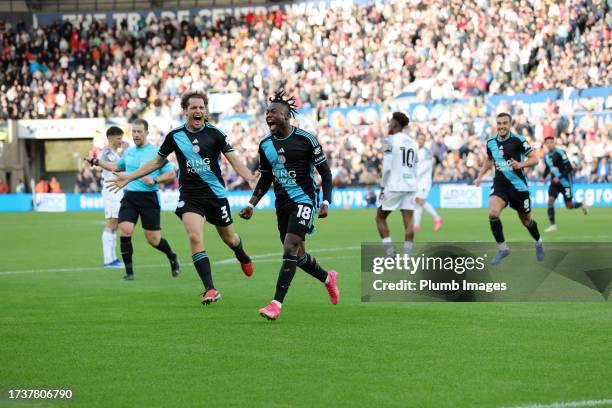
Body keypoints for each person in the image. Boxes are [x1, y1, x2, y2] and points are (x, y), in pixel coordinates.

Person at [107, 91, 256, 305]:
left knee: (229, 238)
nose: (198, 111)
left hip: (215, 195)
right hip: (190, 196)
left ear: (205, 111)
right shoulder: (175, 136)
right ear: (185, 111)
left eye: (201, 108)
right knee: (195, 237)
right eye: (193, 107)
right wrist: (129, 177)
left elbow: (233, 159)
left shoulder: (216, 134)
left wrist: (250, 177)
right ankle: (210, 289)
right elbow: (157, 163)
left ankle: (241, 254)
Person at [239, 90, 339, 321]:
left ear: (286, 115)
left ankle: (276, 304)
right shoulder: (265, 145)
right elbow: (266, 177)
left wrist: (326, 200)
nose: (268, 116)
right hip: (282, 204)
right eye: (267, 113)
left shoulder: (306, 139)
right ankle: (328, 279)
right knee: (298, 255)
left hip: (304, 200)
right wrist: (251, 204)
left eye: (273, 112)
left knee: (290, 246)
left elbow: (325, 172)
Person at [86, 119, 180, 281]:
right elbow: (116, 167)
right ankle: (129, 272)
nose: (136, 135)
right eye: (133, 132)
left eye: (139, 132)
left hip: (149, 198)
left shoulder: (156, 152)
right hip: (129, 196)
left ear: (146, 133)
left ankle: (172, 256)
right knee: (125, 230)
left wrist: (155, 180)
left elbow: (171, 174)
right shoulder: (129, 152)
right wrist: (96, 161)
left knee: (153, 239)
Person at [475, 112, 544, 264]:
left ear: (510, 124)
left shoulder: (518, 140)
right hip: (500, 184)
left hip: (518, 187)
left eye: (504, 123)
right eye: (499, 123)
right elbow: (489, 161)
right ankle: (503, 248)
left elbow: (535, 159)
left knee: (526, 221)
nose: (501, 126)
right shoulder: (491, 142)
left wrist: (521, 164)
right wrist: (480, 177)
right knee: (493, 213)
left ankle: (539, 241)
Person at [375, 112, 419, 257]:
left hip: (394, 185)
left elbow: (387, 167)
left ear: (394, 124)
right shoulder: (413, 143)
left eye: (390, 123)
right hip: (410, 184)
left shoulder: (388, 140)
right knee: (408, 221)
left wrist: (382, 186)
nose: (388, 125)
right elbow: (415, 166)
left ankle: (390, 252)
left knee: (380, 217)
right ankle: (407, 256)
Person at [542, 136, 588, 232]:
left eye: (551, 142)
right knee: (550, 201)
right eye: (548, 143)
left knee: (569, 206)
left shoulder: (560, 153)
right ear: (546, 145)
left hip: (565, 182)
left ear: (554, 143)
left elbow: (569, 168)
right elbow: (548, 168)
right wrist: (543, 177)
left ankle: (581, 204)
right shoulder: (546, 156)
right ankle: (553, 225)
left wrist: (559, 177)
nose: (549, 144)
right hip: (554, 183)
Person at [96, 126, 125, 268]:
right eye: (119, 138)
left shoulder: (114, 153)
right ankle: (108, 260)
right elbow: (115, 167)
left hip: (116, 192)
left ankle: (112, 258)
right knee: (111, 224)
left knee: (115, 224)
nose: (121, 141)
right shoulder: (108, 153)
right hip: (111, 193)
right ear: (111, 138)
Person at [413, 133, 442, 232]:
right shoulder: (415, 151)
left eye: (423, 139)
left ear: (424, 141)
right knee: (417, 202)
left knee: (420, 200)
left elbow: (426, 167)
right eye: (419, 139)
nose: (421, 141)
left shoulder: (427, 152)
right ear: (417, 139)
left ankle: (437, 218)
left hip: (424, 181)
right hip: (417, 181)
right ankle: (416, 224)